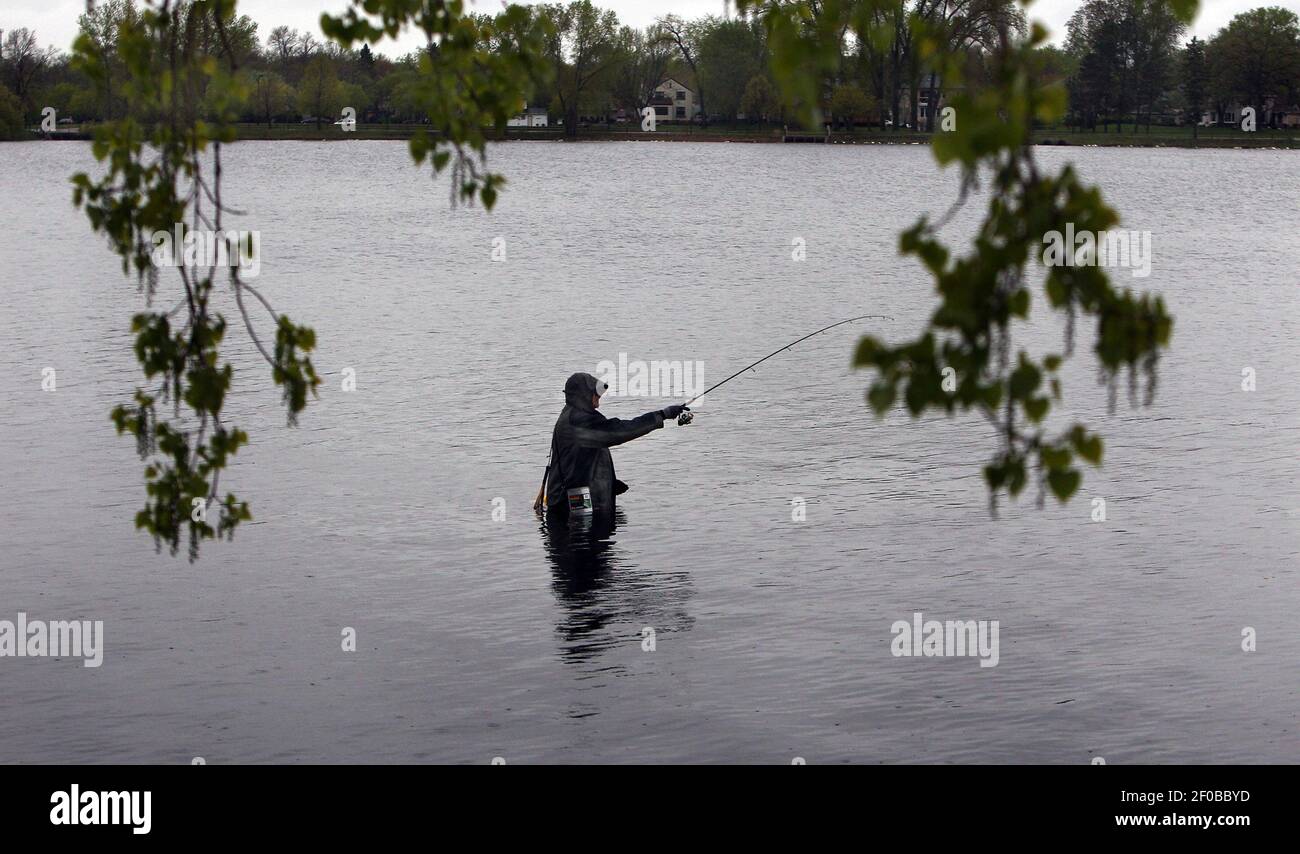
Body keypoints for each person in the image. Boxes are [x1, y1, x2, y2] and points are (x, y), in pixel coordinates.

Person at [535, 372, 689, 519]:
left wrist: (609, 484)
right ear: (584, 396)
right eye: (595, 394)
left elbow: (583, 460)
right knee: (586, 544)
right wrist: (662, 415)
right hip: (571, 508)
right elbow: (620, 431)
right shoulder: (579, 420)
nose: (598, 400)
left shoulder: (573, 415)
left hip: (573, 503)